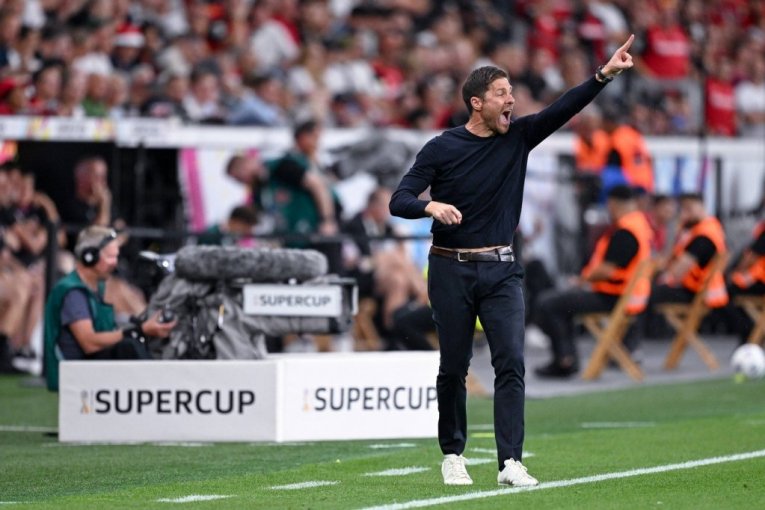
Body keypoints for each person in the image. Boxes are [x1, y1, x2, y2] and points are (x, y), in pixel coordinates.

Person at [389, 35, 637, 487]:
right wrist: (429, 206)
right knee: (454, 366)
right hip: (449, 268)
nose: (512, 100)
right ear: (477, 103)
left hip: (501, 269)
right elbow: (399, 199)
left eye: (512, 93)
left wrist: (603, 75)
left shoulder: (519, 136)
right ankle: (453, 454)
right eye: (502, 94)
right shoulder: (441, 147)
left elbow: (563, 109)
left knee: (511, 363)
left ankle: (510, 462)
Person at [534, 185, 652, 377]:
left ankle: (565, 360)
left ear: (613, 204)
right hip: (629, 298)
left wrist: (582, 280)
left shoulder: (626, 232)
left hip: (614, 297)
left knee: (548, 303)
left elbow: (607, 270)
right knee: (562, 302)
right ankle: (566, 357)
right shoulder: (640, 226)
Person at [43, 226, 176, 391]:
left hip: (90, 365)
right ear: (89, 256)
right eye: (110, 257)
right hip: (77, 372)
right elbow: (89, 342)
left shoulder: (95, 287)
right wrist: (138, 330)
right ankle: (161, 391)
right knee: (128, 347)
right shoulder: (73, 292)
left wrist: (138, 327)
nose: (115, 263)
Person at [651, 193, 729, 310]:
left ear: (702, 207)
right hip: (699, 291)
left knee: (649, 294)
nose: (685, 213)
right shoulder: (708, 228)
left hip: (696, 293)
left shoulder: (703, 237)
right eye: (683, 209)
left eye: (689, 208)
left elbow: (676, 272)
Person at [727, 219, 765, 344]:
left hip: (760, 284)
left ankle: (749, 336)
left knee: (728, 292)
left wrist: (735, 271)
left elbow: (752, 256)